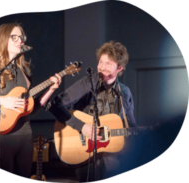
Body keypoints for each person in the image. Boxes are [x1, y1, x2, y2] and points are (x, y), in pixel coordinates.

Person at [0, 23, 62, 178]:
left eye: (21, 37)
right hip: (0, 138)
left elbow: (30, 107)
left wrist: (51, 89)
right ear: (2, 40)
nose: (19, 40)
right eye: (13, 37)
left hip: (26, 137)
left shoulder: (25, 70)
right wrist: (1, 101)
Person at [46, 41, 137, 181]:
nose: (102, 67)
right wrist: (82, 126)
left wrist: (144, 133)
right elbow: (55, 105)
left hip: (114, 159)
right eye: (101, 62)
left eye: (108, 63)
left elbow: (130, 126)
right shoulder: (87, 83)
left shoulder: (124, 92)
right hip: (86, 155)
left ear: (119, 68)